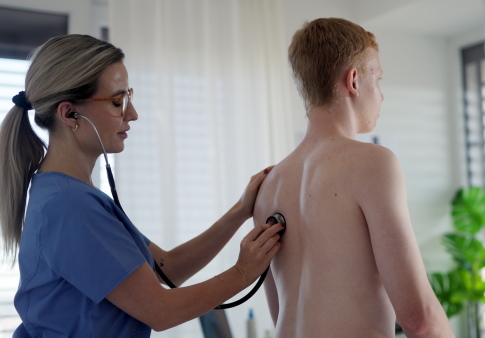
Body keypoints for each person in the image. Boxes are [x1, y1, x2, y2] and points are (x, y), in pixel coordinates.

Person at [0, 34, 283, 337]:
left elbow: (167, 268)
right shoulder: (70, 206)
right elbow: (161, 311)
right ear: (70, 114)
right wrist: (242, 272)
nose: (132, 114)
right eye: (117, 101)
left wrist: (240, 211)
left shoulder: (73, 197)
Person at [253, 18, 455, 338]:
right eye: (379, 79)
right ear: (354, 81)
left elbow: (282, 314)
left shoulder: (268, 186)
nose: (382, 96)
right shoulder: (373, 163)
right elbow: (420, 320)